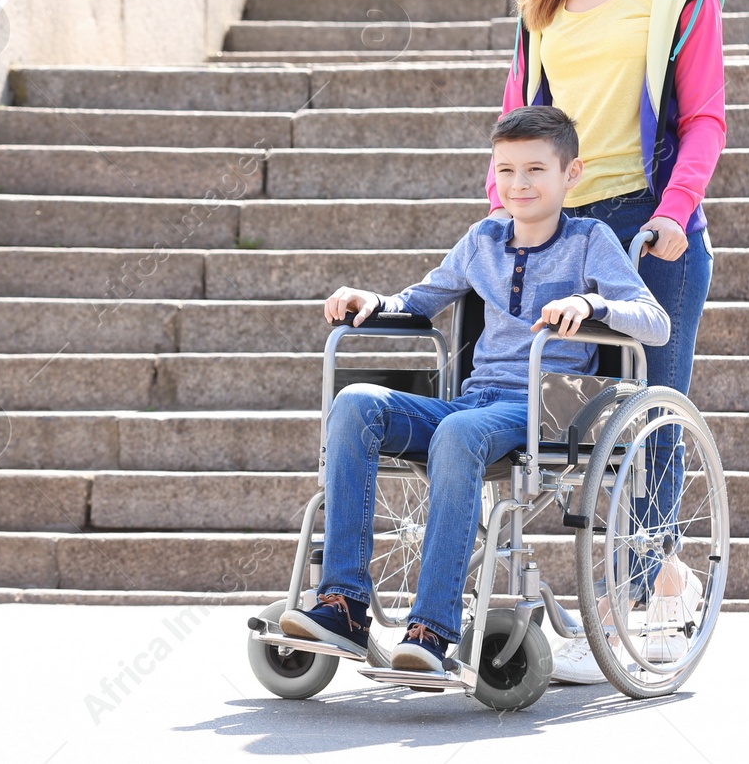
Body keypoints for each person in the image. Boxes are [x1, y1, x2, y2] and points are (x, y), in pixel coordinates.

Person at [279, 105, 670, 675]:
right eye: (507, 170)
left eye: (536, 169)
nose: (520, 183)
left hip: (547, 407)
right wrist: (375, 302)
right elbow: (421, 300)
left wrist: (590, 303)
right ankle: (344, 606)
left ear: (572, 174)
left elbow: (653, 322)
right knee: (354, 404)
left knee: (459, 431)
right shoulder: (482, 239)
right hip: (473, 403)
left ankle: (432, 629)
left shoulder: (591, 240)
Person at [486, 0, 726, 683]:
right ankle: (659, 579)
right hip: (560, 234)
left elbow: (703, 121)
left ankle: (633, 601)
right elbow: (516, 123)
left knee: (650, 420)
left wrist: (675, 208)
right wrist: (502, 212)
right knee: (553, 423)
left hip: (651, 231)